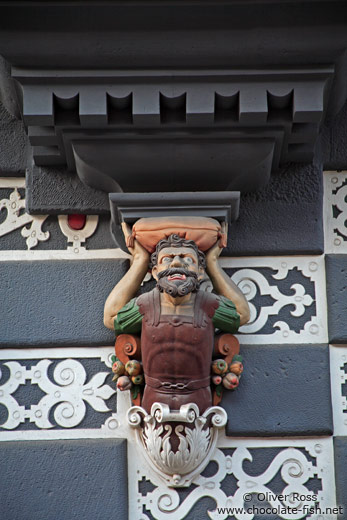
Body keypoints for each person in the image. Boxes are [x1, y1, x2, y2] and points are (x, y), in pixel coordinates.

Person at [104, 223, 250, 413]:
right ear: (155, 272)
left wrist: (212, 263)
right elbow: (111, 317)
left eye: (187, 259)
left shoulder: (206, 305)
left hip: (199, 401)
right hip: (153, 401)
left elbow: (242, 314)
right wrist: (140, 260)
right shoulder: (147, 304)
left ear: (199, 272)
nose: (176, 263)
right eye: (168, 259)